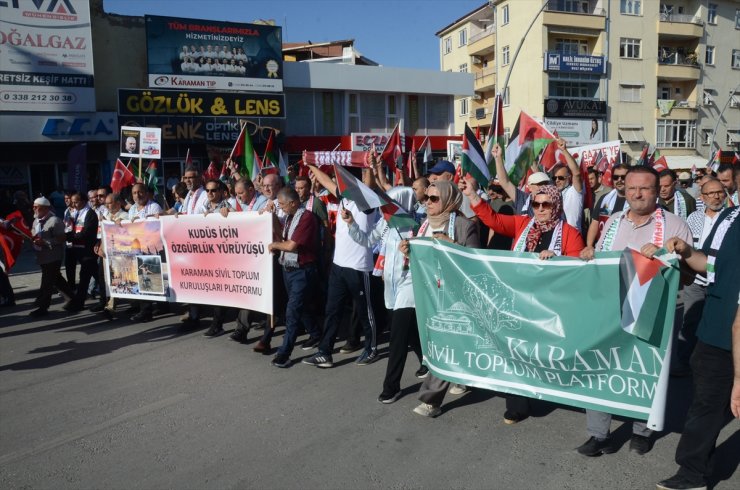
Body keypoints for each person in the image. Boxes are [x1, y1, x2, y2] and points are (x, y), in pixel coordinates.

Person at [578, 166, 692, 457]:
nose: (637, 194)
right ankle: (598, 434)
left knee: (645, 370)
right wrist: (590, 254)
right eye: (631, 188)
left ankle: (643, 430)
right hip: (609, 309)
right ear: (624, 190)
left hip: (654, 309)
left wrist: (666, 257)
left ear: (657, 192)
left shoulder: (675, 224)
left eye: (644, 189)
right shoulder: (614, 221)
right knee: (602, 366)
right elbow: (602, 261)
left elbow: (689, 275)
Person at [463, 176, 584, 423]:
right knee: (514, 349)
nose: (539, 209)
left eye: (546, 204)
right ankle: (517, 404)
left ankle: (544, 390)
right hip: (516, 300)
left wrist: (558, 260)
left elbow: (578, 271)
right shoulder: (522, 224)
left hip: (549, 305)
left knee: (539, 353)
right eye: (536, 204)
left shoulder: (570, 234)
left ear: (557, 206)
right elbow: (494, 220)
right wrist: (472, 195)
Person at [650, 206, 740, 490]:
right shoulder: (730, 216)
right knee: (707, 405)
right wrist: (686, 251)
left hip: (734, 334)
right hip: (713, 331)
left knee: (711, 406)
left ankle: (692, 473)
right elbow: (710, 264)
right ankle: (694, 470)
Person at [406, 180, 480, 417]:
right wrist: (409, 251)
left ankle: (431, 399)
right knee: (452, 344)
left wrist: (453, 246)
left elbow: (474, 264)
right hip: (430, 293)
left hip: (454, 297)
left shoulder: (464, 225)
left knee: (444, 345)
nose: (427, 202)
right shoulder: (424, 224)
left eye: (434, 198)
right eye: (426, 197)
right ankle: (462, 377)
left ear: (448, 199)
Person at [344, 186, 425, 403]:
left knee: (397, 336)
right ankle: (426, 360)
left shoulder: (419, 223)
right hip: (391, 283)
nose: (385, 207)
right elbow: (368, 240)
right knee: (408, 329)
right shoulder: (386, 223)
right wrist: (351, 222)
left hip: (411, 283)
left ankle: (391, 386)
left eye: (391, 203)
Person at [302, 164, 381, 368]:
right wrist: (310, 163)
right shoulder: (344, 197)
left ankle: (371, 348)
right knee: (332, 310)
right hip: (339, 266)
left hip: (359, 267)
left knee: (365, 312)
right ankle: (324, 352)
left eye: (340, 179)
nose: (336, 182)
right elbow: (326, 182)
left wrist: (370, 168)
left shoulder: (366, 201)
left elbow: (369, 184)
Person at [672, 178, 727, 376]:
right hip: (695, 279)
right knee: (690, 320)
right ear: (702, 197)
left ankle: (715, 366)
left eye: (720, 192)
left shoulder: (731, 217)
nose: (716, 196)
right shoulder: (693, 218)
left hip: (721, 280)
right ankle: (684, 362)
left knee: (719, 323)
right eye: (711, 193)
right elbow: (686, 246)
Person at [268, 187, 321, 367]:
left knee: (293, 310)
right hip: (289, 268)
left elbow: (290, 246)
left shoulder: (306, 218)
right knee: (300, 305)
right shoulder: (291, 217)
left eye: (282, 204)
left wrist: (274, 245)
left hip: (302, 270)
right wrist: (273, 216)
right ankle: (315, 334)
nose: (281, 207)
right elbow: (282, 233)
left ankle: (284, 353)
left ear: (293, 202)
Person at [30, 197, 73, 316]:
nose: (34, 208)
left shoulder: (55, 221)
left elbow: (61, 238)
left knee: (47, 282)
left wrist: (44, 242)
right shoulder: (36, 221)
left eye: (36, 206)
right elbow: (33, 234)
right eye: (33, 206)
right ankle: (72, 298)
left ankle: (43, 307)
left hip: (53, 257)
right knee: (57, 279)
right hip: (42, 256)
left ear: (45, 208)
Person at [90, 193, 129, 320]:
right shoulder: (105, 215)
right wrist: (98, 244)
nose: (107, 205)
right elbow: (101, 233)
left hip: (119, 255)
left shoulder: (124, 216)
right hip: (105, 254)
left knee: (117, 280)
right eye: (106, 203)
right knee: (103, 279)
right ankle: (106, 303)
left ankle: (111, 308)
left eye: (110, 203)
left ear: (118, 203)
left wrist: (121, 222)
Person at [491, 143, 551, 217]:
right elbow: (505, 182)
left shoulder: (554, 202)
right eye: (539, 184)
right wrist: (498, 158)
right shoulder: (522, 199)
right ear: (529, 187)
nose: (543, 187)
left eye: (545, 184)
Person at [64, 192, 99, 312]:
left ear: (84, 201)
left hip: (87, 251)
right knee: (95, 276)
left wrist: (71, 237)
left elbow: (87, 232)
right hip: (77, 250)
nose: (73, 204)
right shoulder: (75, 213)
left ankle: (79, 303)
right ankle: (106, 298)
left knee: (84, 277)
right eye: (72, 202)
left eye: (76, 201)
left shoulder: (90, 214)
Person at [584, 164, 629, 250]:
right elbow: (595, 223)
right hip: (603, 249)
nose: (619, 180)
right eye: (616, 177)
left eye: (623, 177)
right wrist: (589, 246)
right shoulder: (605, 198)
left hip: (624, 251)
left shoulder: (636, 200)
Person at [550, 139, 584, 231]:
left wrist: (564, 150)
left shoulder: (574, 191)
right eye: (554, 178)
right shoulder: (553, 193)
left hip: (573, 235)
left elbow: (576, 173)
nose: (557, 180)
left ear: (569, 177)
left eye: (560, 178)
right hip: (557, 237)